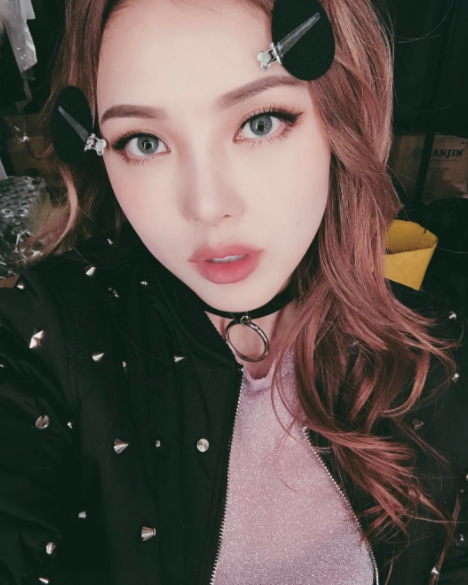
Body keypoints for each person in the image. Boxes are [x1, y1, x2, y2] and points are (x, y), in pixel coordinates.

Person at [0, 0, 467, 584]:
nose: (206, 206)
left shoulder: (433, 316)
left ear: (341, 112)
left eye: (260, 123)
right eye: (144, 142)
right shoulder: (45, 335)